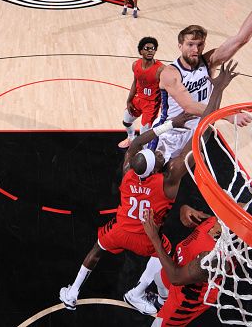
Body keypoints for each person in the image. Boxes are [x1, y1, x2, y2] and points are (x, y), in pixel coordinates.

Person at [59, 61, 238, 315]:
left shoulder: (128, 173)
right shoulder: (170, 178)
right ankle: (139, 292)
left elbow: (136, 143)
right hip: (146, 237)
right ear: (156, 167)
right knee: (163, 251)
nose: (163, 156)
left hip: (121, 228)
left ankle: (72, 292)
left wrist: (168, 124)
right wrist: (217, 89)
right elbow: (203, 129)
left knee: (96, 250)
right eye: (160, 158)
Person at [148, 0, 252, 164]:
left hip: (198, 130)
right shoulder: (170, 73)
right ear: (179, 46)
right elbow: (189, 106)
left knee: (182, 181)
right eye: (190, 44)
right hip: (170, 135)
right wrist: (229, 115)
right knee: (156, 183)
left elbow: (241, 39)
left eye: (200, 45)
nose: (195, 49)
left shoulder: (208, 62)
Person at [142, 207, 221, 326]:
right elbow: (200, 217)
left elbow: (176, 278)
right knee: (159, 279)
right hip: (179, 264)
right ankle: (161, 303)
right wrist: (186, 210)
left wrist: (154, 237)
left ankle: (166, 310)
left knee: (158, 325)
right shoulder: (218, 221)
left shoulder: (213, 257)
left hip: (187, 296)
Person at [118, 37, 164, 149]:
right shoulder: (135, 65)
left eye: (153, 49)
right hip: (138, 99)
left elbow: (166, 91)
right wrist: (129, 100)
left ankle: (145, 153)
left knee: (144, 134)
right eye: (147, 48)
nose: (150, 51)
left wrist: (164, 110)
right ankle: (130, 137)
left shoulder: (161, 69)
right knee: (126, 121)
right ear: (141, 51)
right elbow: (135, 83)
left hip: (151, 104)